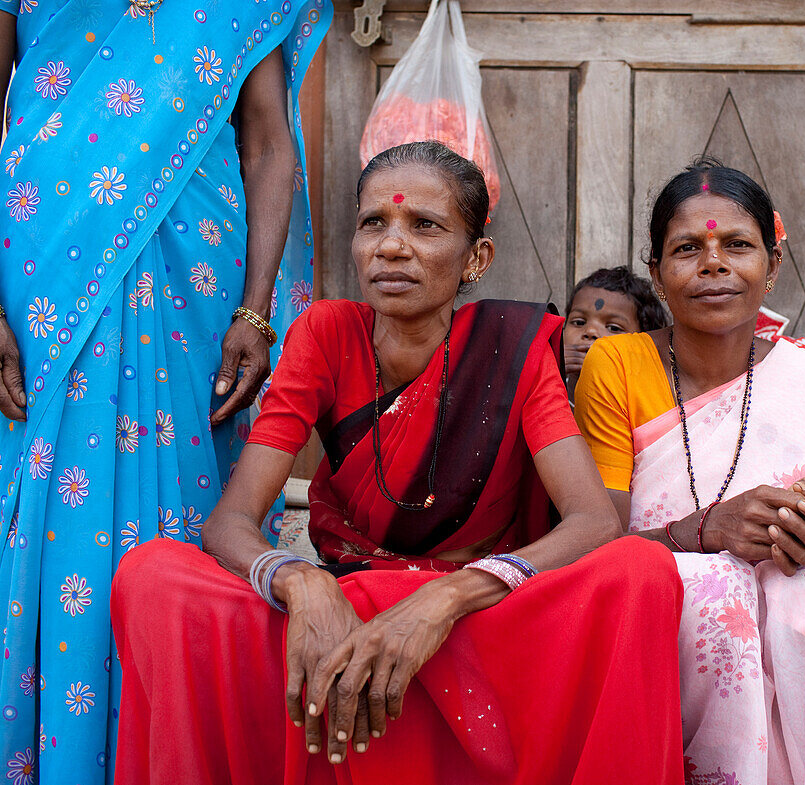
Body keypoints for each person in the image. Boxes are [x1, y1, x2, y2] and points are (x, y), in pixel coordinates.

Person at [110, 141, 685, 785]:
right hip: (342, 607)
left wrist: (444, 600)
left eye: (424, 226)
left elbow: (592, 523)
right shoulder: (326, 333)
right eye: (373, 224)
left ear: (478, 258)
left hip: (474, 616)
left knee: (642, 569)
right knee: (152, 572)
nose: (391, 245)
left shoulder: (513, 347)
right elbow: (230, 524)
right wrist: (304, 584)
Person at [0, 2, 328, 780]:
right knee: (47, 494)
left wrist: (256, 306)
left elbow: (270, 141)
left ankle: (171, 749)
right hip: (47, 256)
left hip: (198, 262)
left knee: (188, 491)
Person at [574, 159, 805, 784]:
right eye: (688, 248)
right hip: (658, 581)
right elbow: (600, 547)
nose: (713, 264)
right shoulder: (617, 362)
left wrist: (802, 532)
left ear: (772, 267)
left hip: (784, 586)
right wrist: (706, 530)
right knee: (724, 592)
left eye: (737, 246)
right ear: (658, 275)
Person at [563, 265, 667, 399]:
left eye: (613, 328)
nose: (590, 331)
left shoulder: (646, 399)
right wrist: (551, 375)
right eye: (579, 322)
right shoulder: (545, 386)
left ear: (644, 343)